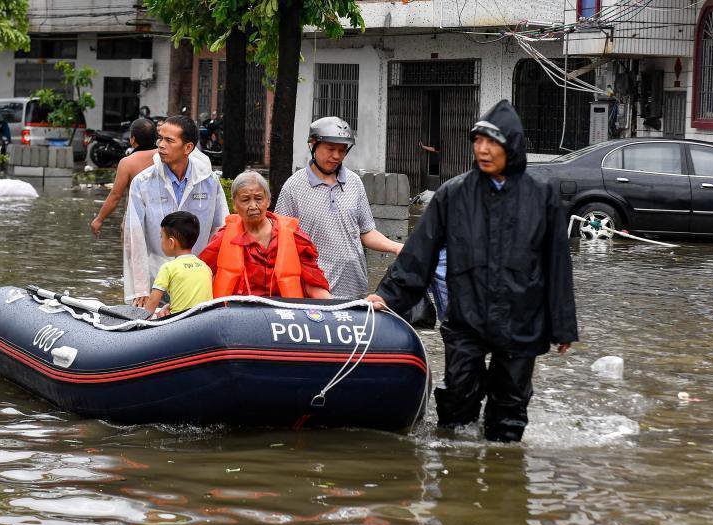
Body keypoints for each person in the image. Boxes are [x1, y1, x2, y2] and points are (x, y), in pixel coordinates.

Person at [366, 100, 579, 443]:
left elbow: (557, 264)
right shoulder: (454, 193)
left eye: (492, 142)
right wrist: (388, 296)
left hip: (521, 320)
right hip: (466, 315)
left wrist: (563, 324)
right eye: (478, 141)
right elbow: (421, 252)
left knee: (509, 409)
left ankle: (504, 475)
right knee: (457, 402)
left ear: (511, 146)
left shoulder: (542, 197)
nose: (482, 149)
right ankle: (456, 475)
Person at [275, 116, 403, 299]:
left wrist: (396, 247)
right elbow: (280, 241)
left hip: (354, 288)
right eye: (330, 149)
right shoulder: (294, 186)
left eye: (342, 150)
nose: (336, 156)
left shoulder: (354, 183)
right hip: (311, 291)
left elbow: (366, 232)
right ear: (313, 144)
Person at [124, 115, 229, 305]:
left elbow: (221, 230)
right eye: (160, 138)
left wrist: (211, 274)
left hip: (196, 279)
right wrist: (139, 288)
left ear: (188, 148)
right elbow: (134, 235)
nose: (161, 145)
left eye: (169, 140)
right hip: (155, 277)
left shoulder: (209, 181)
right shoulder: (143, 182)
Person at [200, 171, 331, 299]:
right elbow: (201, 275)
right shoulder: (224, 237)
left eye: (258, 199)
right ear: (234, 204)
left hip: (282, 314)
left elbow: (314, 283)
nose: (253, 206)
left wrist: (334, 310)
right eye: (245, 200)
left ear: (268, 201)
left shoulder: (292, 235)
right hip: (237, 315)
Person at [89, 118, 159, 237]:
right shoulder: (164, 157)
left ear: (132, 140)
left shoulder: (127, 162)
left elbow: (116, 195)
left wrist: (99, 219)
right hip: (161, 219)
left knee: (133, 256)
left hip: (135, 221)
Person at [143, 211, 213, 318]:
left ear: (171, 242)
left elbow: (153, 301)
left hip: (179, 324)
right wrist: (169, 306)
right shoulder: (206, 267)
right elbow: (192, 296)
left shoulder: (168, 268)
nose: (161, 240)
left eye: (161, 237)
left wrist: (140, 323)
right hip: (204, 320)